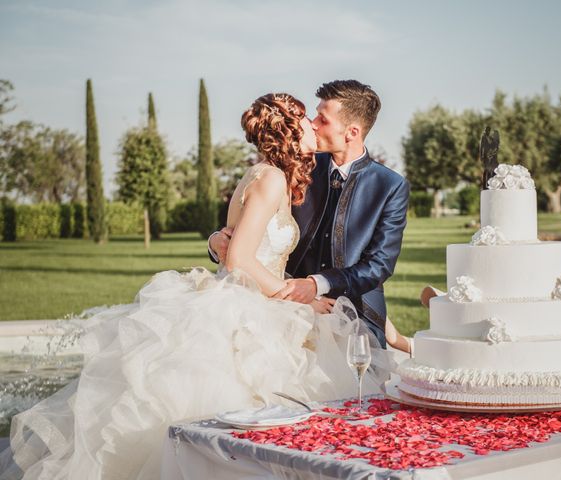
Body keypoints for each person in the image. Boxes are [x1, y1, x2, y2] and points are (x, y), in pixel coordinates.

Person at [0, 93, 390, 480]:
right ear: (289, 131)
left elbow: (239, 243)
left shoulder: (275, 174)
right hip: (251, 306)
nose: (312, 126)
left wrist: (224, 244)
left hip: (256, 295)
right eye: (306, 120)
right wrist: (296, 300)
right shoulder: (271, 178)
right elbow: (239, 258)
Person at [210, 80, 412, 353]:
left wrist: (316, 285)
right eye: (314, 115)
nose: (313, 124)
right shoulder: (296, 171)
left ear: (352, 132)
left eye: (322, 119)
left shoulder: (390, 186)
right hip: (286, 310)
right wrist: (215, 241)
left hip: (357, 314)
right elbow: (246, 238)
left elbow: (378, 266)